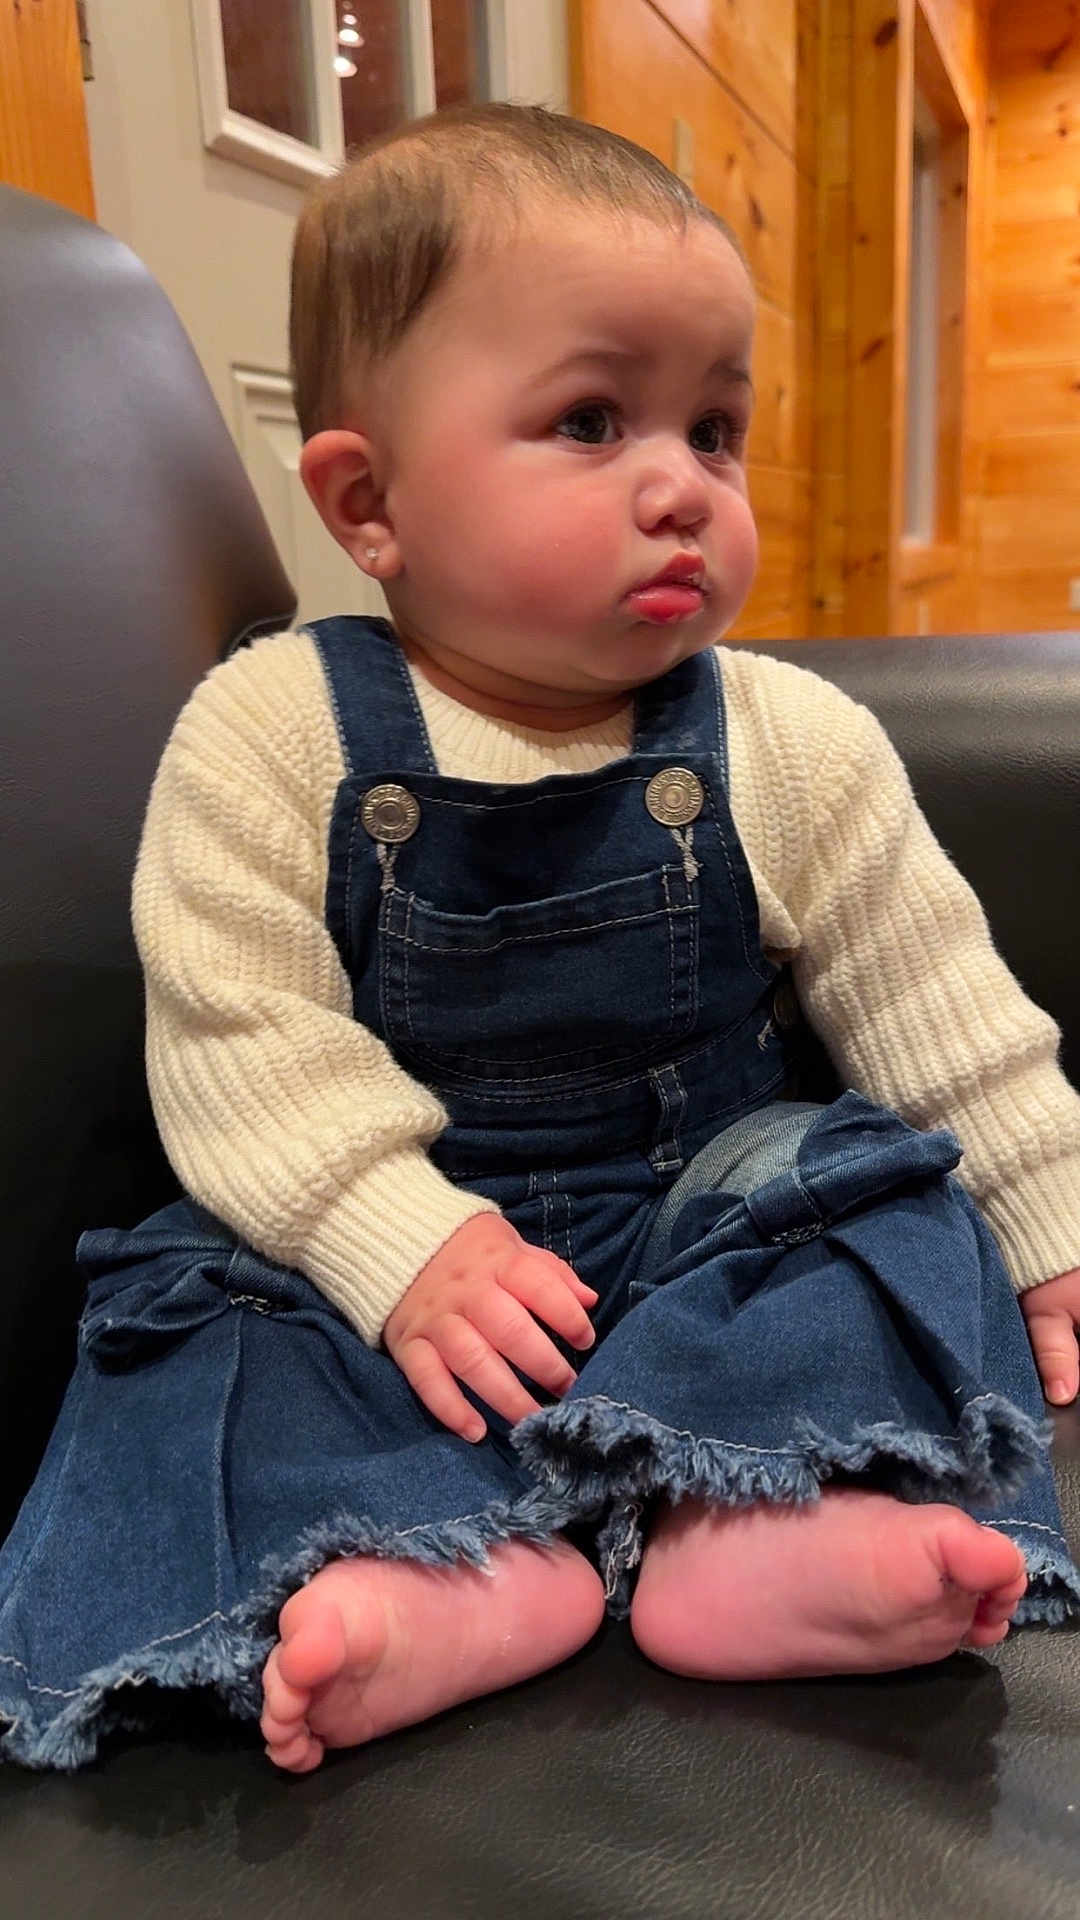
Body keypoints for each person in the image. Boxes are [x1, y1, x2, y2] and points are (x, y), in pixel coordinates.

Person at [3, 104, 1080, 1778]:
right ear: (371, 502)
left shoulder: (791, 738)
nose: (682, 487)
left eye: (715, 430)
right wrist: (387, 1233)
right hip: (386, 1273)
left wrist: (1046, 1216)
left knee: (877, 1186)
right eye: (592, 420)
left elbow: (939, 998)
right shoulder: (272, 731)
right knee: (195, 1315)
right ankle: (446, 1574)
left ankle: (753, 1523)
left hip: (699, 1224)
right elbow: (233, 1032)